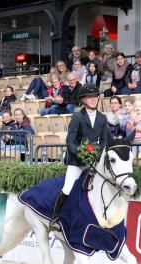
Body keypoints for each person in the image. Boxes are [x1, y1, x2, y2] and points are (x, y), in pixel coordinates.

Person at [49, 84, 108, 230]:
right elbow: (70, 141)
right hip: (76, 161)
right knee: (68, 188)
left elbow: (104, 141)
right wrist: (82, 152)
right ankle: (54, 218)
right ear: (83, 100)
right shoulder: (77, 117)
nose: (93, 99)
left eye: (95, 96)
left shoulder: (102, 118)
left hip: (93, 159)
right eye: (90, 97)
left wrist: (95, 153)